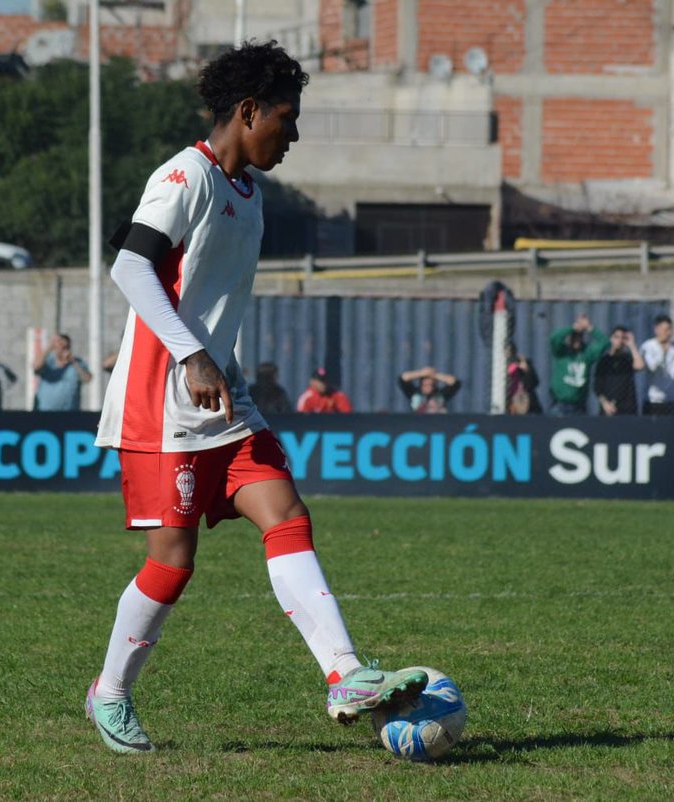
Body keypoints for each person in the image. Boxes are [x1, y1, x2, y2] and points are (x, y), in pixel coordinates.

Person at [88, 41, 426, 755]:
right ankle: (109, 693)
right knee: (172, 563)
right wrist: (192, 355)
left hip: (224, 400)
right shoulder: (185, 176)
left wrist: (218, 363)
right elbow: (129, 265)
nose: (292, 135)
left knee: (286, 512)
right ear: (247, 112)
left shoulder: (250, 194)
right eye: (286, 118)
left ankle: (344, 673)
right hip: (163, 400)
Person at [548, 314, 608, 416]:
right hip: (559, 405)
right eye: (574, 337)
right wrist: (573, 328)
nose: (576, 340)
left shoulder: (587, 354)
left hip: (579, 406)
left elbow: (605, 342)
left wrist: (589, 327)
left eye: (579, 337)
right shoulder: (561, 353)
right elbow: (554, 338)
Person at [593, 325, 644, 416]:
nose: (619, 341)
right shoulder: (604, 360)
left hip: (628, 408)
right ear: (611, 338)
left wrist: (632, 345)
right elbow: (597, 387)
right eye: (616, 337)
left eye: (622, 338)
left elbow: (640, 366)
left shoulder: (628, 358)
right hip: (609, 409)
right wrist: (605, 404)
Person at [34, 334, 92, 411]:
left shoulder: (77, 363)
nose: (63, 349)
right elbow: (36, 367)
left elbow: (87, 378)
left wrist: (73, 362)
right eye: (60, 346)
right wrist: (49, 347)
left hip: (69, 413)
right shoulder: (48, 361)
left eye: (66, 347)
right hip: (44, 411)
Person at [504, 342, 543, 415]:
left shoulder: (522, 363)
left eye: (510, 351)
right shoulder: (500, 369)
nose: (508, 354)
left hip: (528, 405)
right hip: (510, 405)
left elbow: (534, 383)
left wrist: (527, 371)